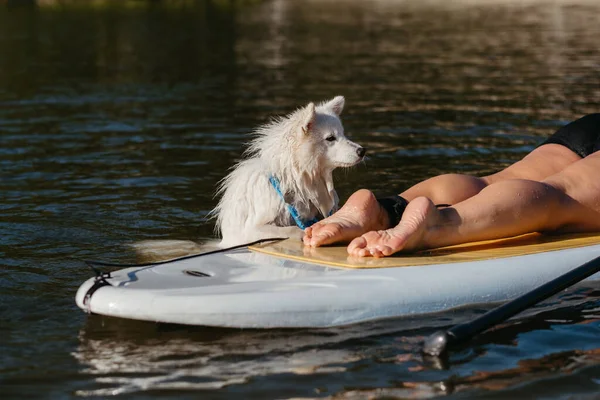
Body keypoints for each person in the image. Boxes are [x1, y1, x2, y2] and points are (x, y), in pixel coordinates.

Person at [303, 113, 600, 257]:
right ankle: (435, 225)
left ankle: (384, 209)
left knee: (493, 181)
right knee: (563, 196)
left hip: (588, 128)